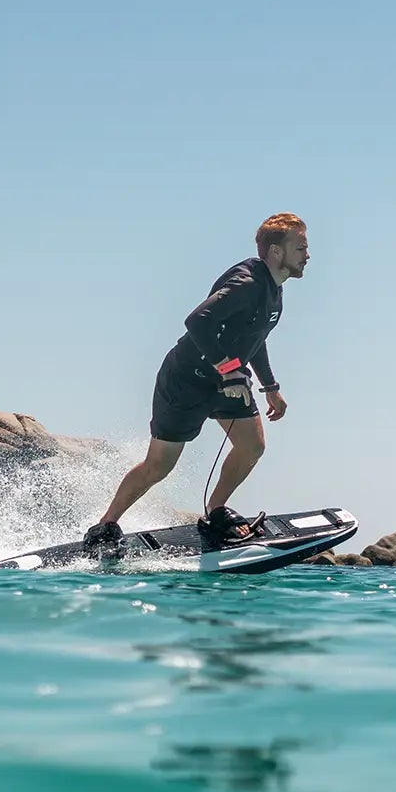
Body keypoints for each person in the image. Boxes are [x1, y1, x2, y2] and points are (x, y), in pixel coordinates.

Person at [84, 213, 311, 551]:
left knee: (252, 446)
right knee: (159, 466)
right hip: (186, 380)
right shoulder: (247, 283)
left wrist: (270, 387)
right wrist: (229, 368)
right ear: (276, 252)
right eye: (301, 247)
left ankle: (215, 512)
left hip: (226, 380)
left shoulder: (274, 290)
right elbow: (197, 321)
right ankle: (105, 526)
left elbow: (256, 336)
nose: (307, 255)